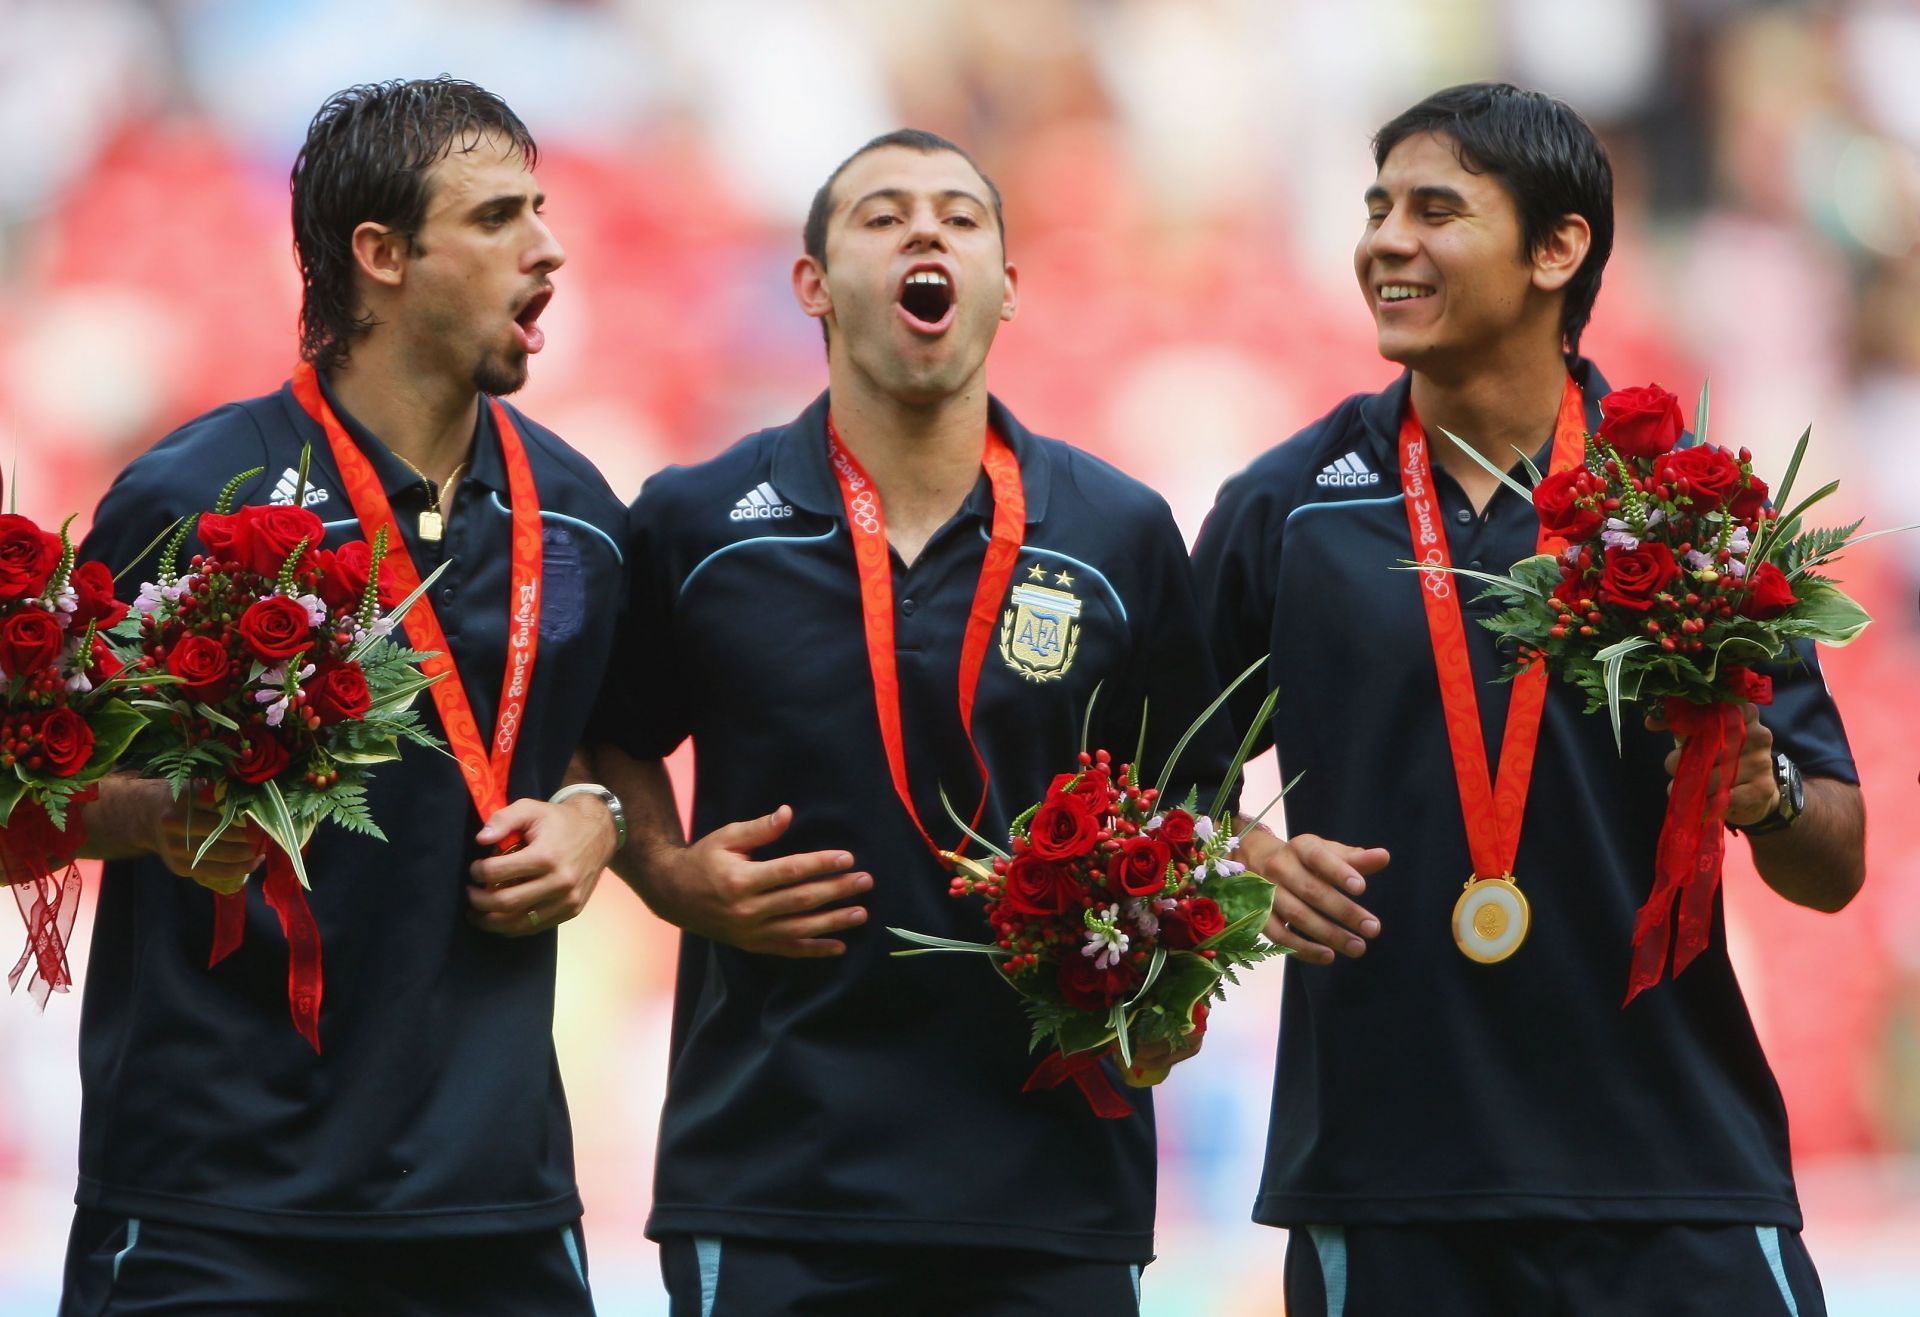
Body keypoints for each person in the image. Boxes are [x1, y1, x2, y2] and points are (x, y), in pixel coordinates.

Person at [1192, 83, 1866, 1317]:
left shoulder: (1691, 509)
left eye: (1435, 209)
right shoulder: (1287, 510)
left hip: (1681, 1179)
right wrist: (1242, 858)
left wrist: (1767, 797)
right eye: (1376, 207)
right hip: (1387, 1188)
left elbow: (1835, 862)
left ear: (1559, 249)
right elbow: (1153, 799)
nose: (1384, 240)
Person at [591, 129, 1230, 1315]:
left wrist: (1167, 992)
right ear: (813, 285)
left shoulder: (1120, 531)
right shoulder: (696, 526)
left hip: (1055, 1189)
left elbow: (1195, 807)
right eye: (882, 217)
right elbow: (609, 737)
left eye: (961, 217)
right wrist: (668, 872)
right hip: (776, 1183)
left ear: (1009, 285)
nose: (925, 231)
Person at [61, 77, 626, 1315]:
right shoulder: (191, 495)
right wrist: (147, 815)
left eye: (540, 208)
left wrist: (600, 815)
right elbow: (24, 790)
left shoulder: (585, 519)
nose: (549, 247)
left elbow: (610, 750)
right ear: (380, 255)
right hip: (211, 1210)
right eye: (495, 218)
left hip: (497, 1208)